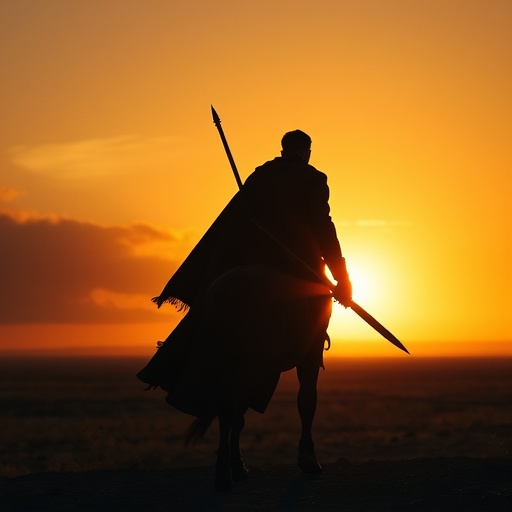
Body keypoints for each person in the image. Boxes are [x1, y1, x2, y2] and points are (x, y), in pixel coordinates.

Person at [137, 129, 352, 475]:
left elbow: (238, 221)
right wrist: (342, 278)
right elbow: (323, 225)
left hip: (247, 262)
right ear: (307, 151)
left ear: (283, 149)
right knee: (309, 367)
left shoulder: (260, 174)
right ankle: (306, 450)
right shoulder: (314, 178)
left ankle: (228, 453)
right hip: (298, 271)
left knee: (230, 367)